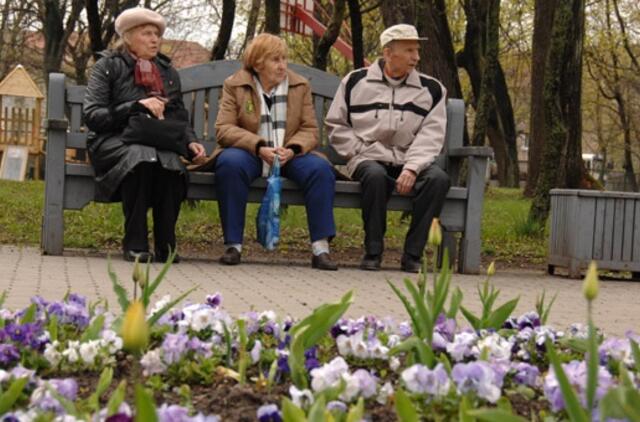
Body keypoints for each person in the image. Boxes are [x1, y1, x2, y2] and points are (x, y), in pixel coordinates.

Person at [198, 33, 337, 270]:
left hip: (289, 154)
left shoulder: (299, 85)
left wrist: (293, 149)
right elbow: (224, 129)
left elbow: (310, 130)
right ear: (258, 62)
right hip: (250, 153)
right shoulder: (235, 84)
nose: (283, 65)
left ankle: (320, 248)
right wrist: (259, 146)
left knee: (320, 169)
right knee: (230, 164)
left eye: (284, 59)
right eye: (275, 60)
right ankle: (233, 246)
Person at [83, 7, 205, 263]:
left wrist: (191, 140)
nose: (154, 39)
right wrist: (135, 107)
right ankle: (135, 242)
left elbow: (178, 115)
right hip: (112, 140)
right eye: (146, 33)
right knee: (141, 157)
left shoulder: (166, 71)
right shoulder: (108, 66)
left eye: (157, 34)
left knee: (171, 163)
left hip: (157, 141)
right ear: (127, 37)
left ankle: (166, 245)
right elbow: (93, 116)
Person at [326, 24, 451, 273]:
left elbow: (431, 136)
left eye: (417, 50)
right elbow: (336, 125)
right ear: (388, 53)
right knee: (374, 175)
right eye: (409, 50)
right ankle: (373, 251)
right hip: (367, 158)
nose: (416, 57)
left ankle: (412, 255)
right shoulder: (355, 82)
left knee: (438, 179)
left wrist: (413, 168)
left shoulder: (432, 90)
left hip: (409, 159)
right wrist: (361, 151)